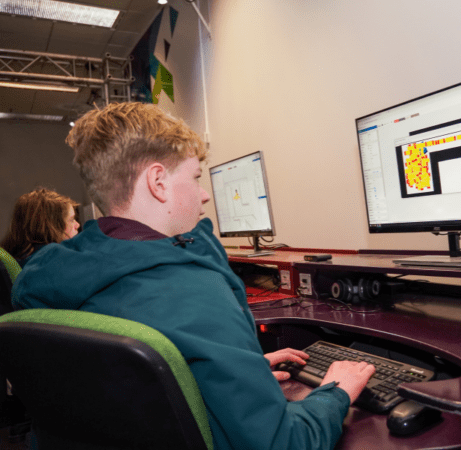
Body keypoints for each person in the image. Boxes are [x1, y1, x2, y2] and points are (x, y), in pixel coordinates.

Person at [12, 102, 375, 450]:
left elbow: (117, 388)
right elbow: (285, 443)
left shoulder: (44, 277)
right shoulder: (191, 292)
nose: (203, 195)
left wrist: (229, 369)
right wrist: (335, 390)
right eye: (196, 177)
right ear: (158, 182)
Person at [1, 188, 80, 267]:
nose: (77, 225)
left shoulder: (14, 257)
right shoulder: (55, 261)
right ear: (51, 226)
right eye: (71, 220)